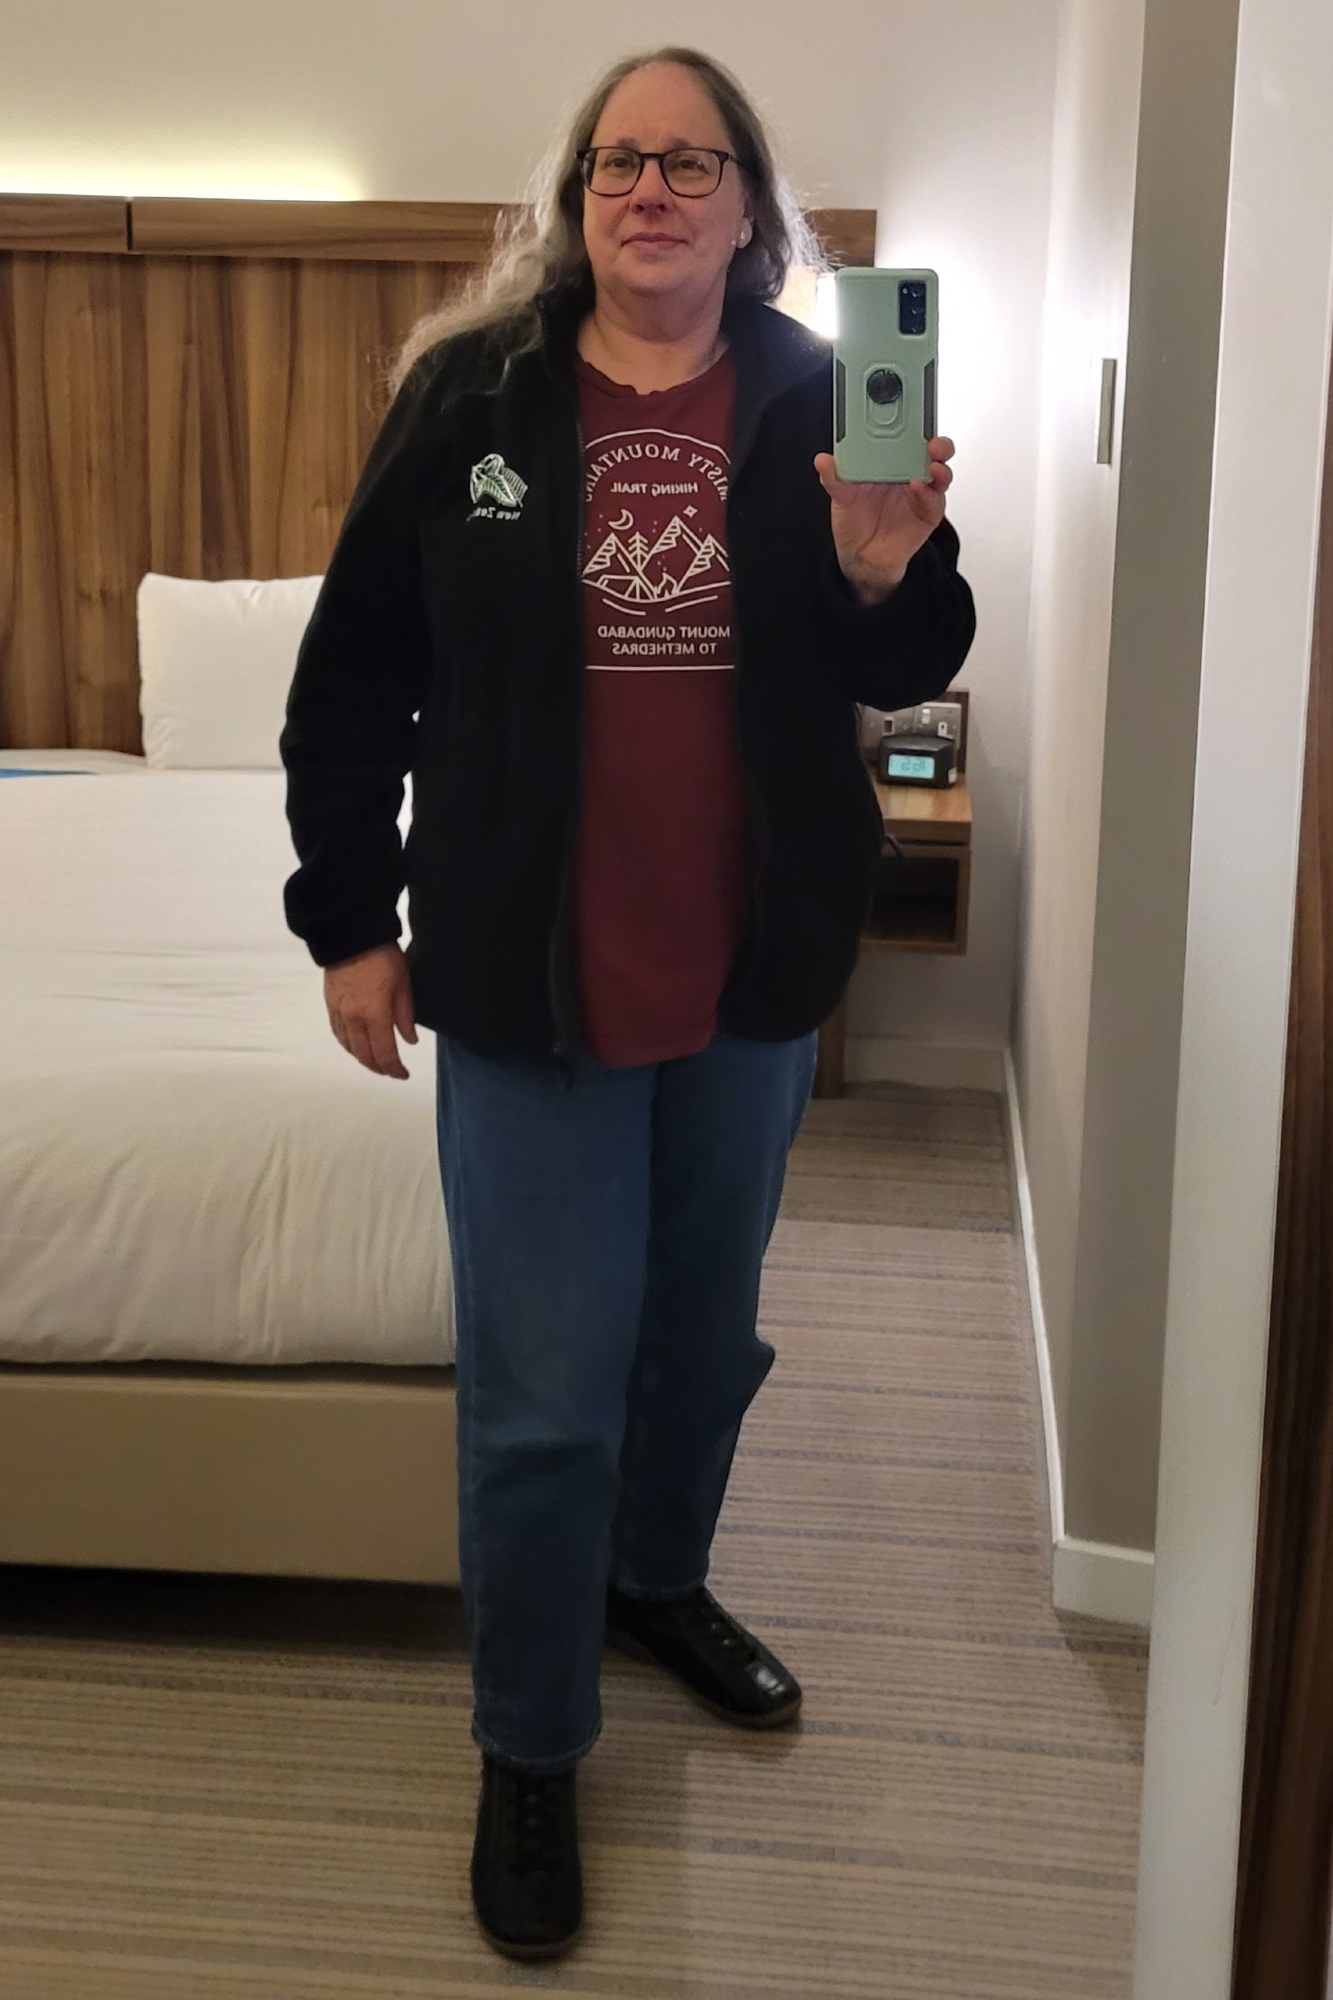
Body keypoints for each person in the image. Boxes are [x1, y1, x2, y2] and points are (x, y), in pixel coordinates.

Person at [281, 43, 975, 1964]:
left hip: (748, 975)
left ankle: (657, 1583)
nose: (648, 189)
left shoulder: (818, 393)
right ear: (574, 197)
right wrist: (347, 919)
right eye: (616, 162)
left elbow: (914, 648)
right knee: (539, 1405)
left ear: (750, 207)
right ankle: (530, 1741)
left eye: (689, 161)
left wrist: (881, 569)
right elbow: (352, 681)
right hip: (525, 975)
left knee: (699, 1344)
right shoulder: (469, 398)